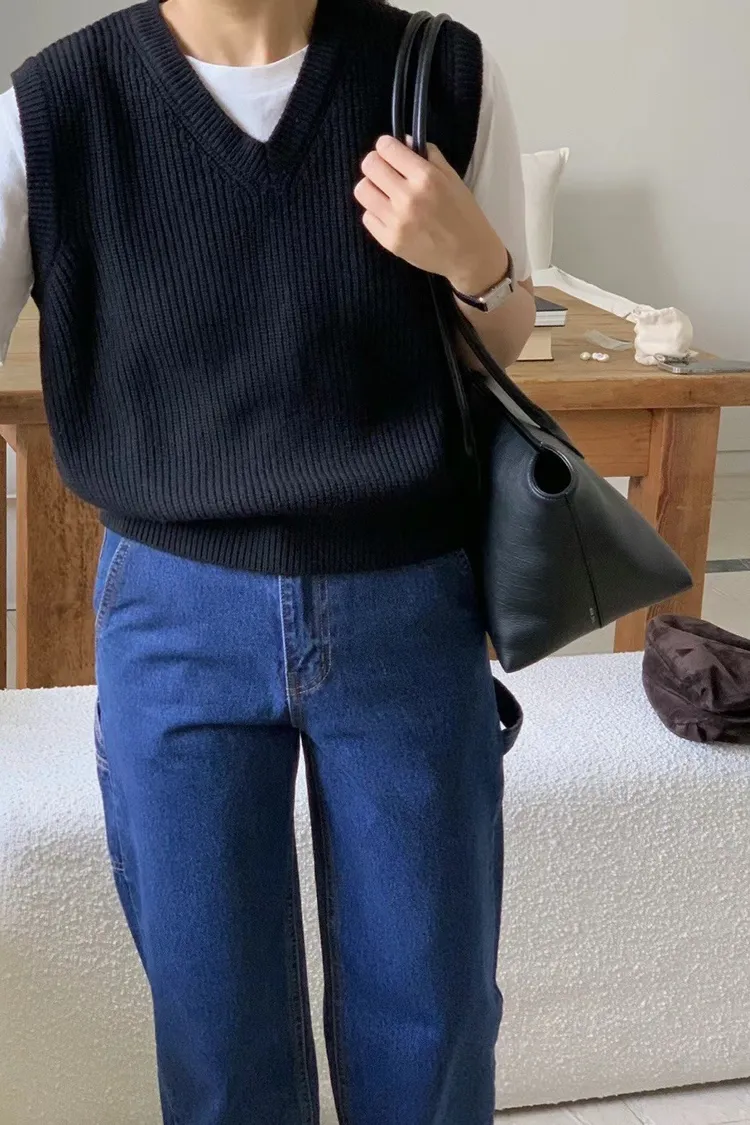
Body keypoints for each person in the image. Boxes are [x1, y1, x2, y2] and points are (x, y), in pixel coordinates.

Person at [0, 0, 535, 1120]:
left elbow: (498, 339)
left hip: (405, 601)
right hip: (173, 611)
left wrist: (475, 261)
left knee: (433, 1019)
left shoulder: (439, 72)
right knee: (215, 1027)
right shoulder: (51, 107)